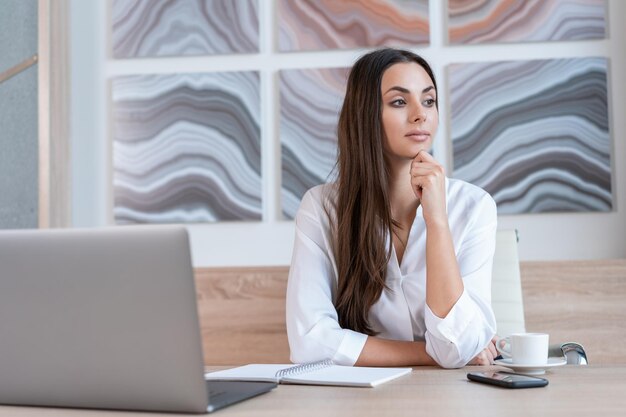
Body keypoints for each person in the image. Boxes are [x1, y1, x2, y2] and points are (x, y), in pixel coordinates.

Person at [285, 48, 498, 368]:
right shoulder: (322, 208)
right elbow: (310, 342)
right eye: (400, 102)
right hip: (357, 396)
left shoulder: (473, 206)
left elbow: (459, 346)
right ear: (365, 114)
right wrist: (428, 354)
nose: (420, 114)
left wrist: (437, 220)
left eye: (428, 101)